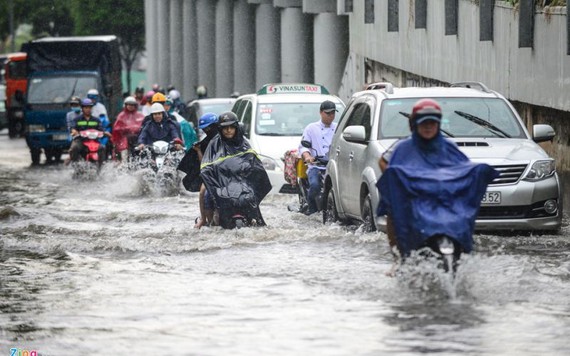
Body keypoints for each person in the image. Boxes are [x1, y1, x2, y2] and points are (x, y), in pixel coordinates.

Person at [376, 98, 498, 260]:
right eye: (424, 122)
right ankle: (398, 257)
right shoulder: (403, 147)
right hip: (413, 198)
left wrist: (478, 172)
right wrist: (400, 183)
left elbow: (463, 169)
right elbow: (384, 162)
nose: (428, 126)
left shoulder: (449, 148)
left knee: (463, 215)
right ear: (415, 124)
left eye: (432, 123)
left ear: (439, 124)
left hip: (442, 198)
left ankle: (463, 250)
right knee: (394, 211)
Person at [198, 111, 271, 229]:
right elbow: (206, 165)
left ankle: (253, 219)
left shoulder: (244, 142)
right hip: (221, 181)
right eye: (225, 128)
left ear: (236, 127)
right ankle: (205, 220)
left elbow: (253, 160)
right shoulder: (214, 144)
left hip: (242, 180)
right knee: (204, 193)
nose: (228, 130)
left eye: (231, 127)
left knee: (251, 196)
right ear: (220, 129)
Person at [298, 100, 338, 215]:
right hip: (316, 166)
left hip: (332, 166)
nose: (331, 116)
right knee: (315, 185)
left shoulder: (338, 128)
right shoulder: (311, 128)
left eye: (333, 113)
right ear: (321, 112)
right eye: (328, 113)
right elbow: (303, 147)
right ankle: (312, 209)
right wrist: (308, 157)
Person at [69, 98, 110, 165]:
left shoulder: (96, 120)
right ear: (82, 108)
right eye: (86, 108)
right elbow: (72, 128)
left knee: (102, 148)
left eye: (90, 107)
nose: (88, 109)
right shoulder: (77, 119)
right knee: (74, 148)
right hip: (80, 140)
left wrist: (105, 132)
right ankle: (75, 165)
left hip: (94, 141)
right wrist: (74, 131)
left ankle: (100, 167)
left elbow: (101, 129)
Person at [112, 96, 145, 161]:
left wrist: (137, 129)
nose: (131, 106)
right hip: (124, 139)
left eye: (132, 104)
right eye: (129, 104)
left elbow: (145, 126)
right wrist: (126, 129)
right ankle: (124, 163)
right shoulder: (121, 116)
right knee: (124, 152)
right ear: (125, 105)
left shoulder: (140, 115)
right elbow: (116, 128)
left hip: (137, 139)